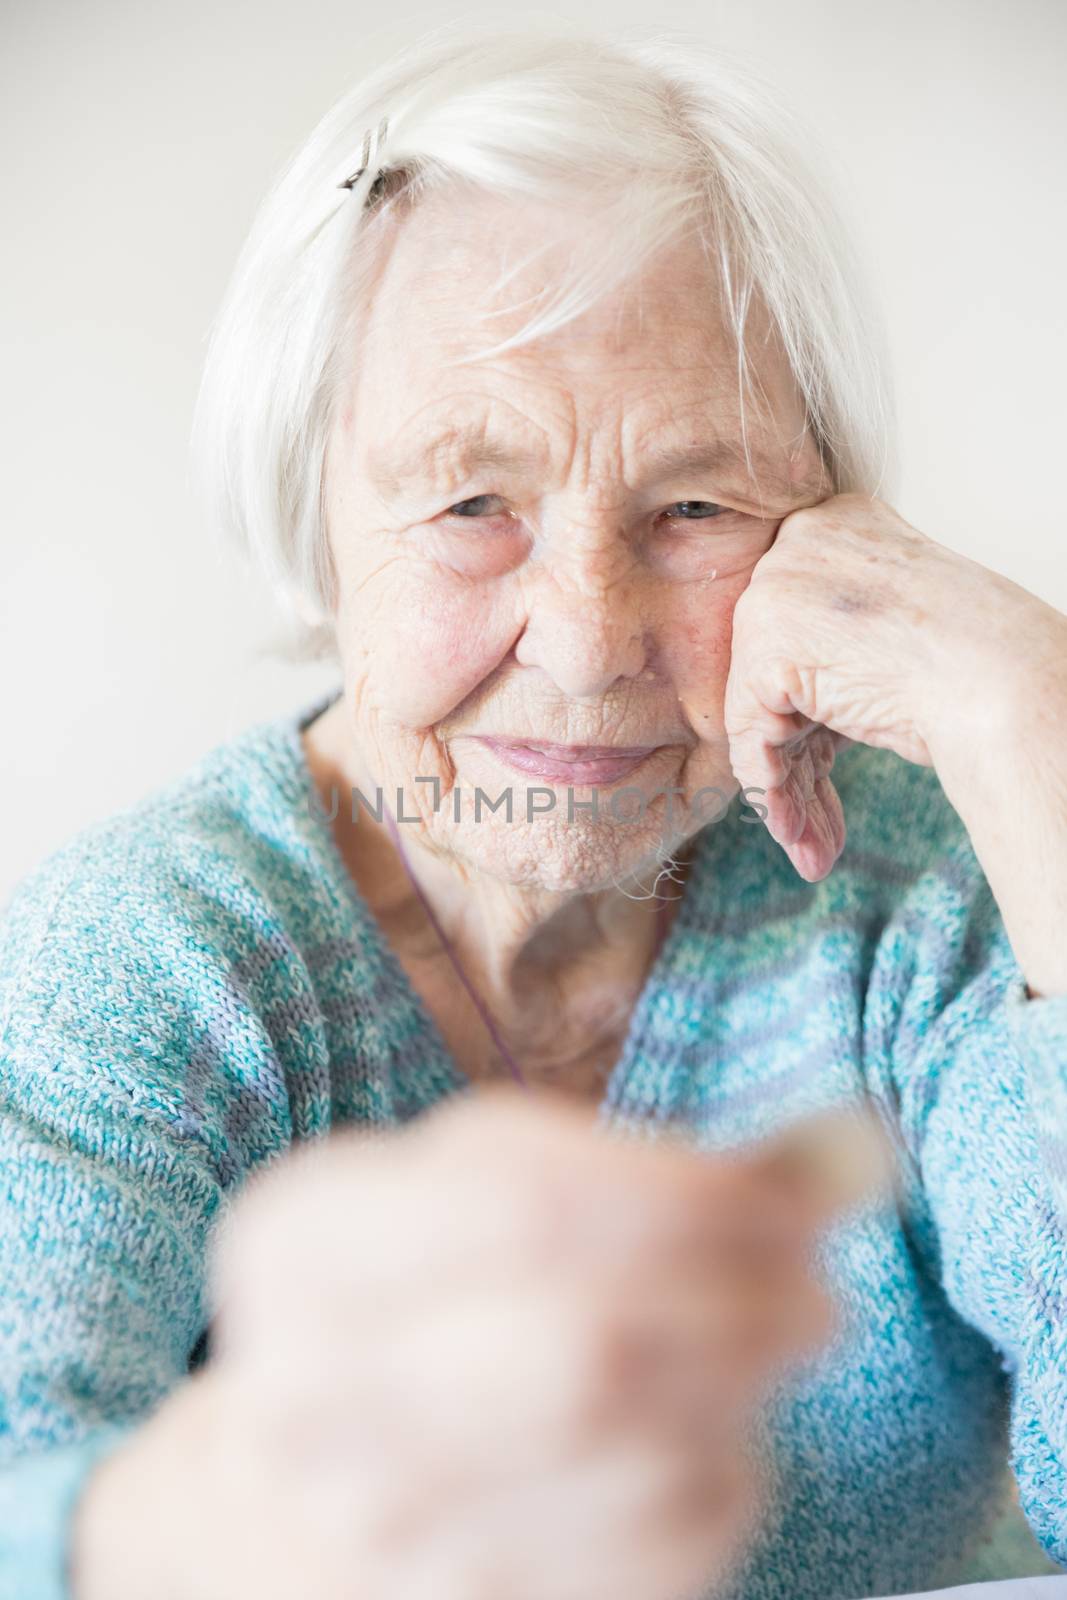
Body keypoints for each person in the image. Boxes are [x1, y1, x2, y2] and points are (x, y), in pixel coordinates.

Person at [2, 19, 1066, 1600]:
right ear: (316, 509)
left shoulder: (930, 880)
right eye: (471, 504)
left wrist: (1033, 722)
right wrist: (233, 1519)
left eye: (696, 506)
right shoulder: (142, 958)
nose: (584, 642)